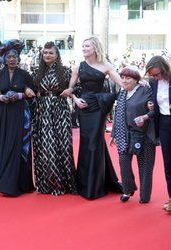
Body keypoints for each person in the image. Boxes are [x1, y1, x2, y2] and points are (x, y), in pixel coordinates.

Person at [62, 36, 123, 199]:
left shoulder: (106, 65)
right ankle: (89, 183)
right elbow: (70, 89)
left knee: (94, 143)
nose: (84, 48)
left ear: (95, 48)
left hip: (98, 108)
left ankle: (94, 185)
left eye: (87, 46)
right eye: (83, 46)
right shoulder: (78, 67)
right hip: (84, 107)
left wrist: (138, 82)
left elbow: (122, 82)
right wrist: (76, 100)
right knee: (87, 142)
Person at [30, 41, 77, 196]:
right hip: (42, 111)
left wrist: (70, 90)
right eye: (45, 53)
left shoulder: (65, 71)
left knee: (63, 145)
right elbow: (28, 88)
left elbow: (78, 87)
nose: (47, 55)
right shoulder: (36, 71)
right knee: (45, 147)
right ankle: (47, 184)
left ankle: (65, 183)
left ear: (57, 55)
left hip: (60, 110)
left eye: (51, 53)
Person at [0, 39, 34, 196]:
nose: (11, 59)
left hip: (21, 115)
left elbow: (33, 95)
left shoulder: (25, 75)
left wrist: (20, 95)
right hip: (5, 115)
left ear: (18, 58)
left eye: (14, 57)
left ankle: (20, 184)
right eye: (9, 57)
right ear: (4, 59)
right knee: (5, 144)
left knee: (18, 145)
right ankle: (3, 182)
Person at [110, 66, 156, 203]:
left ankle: (145, 196)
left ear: (137, 79)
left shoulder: (146, 90)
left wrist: (145, 117)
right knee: (123, 162)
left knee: (145, 166)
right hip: (124, 133)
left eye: (128, 78)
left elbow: (155, 110)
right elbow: (118, 115)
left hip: (144, 134)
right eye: (123, 77)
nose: (124, 81)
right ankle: (127, 189)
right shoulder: (123, 93)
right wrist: (114, 134)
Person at [145, 55, 171, 212]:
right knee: (168, 163)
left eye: (158, 74)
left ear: (164, 68)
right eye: (153, 75)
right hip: (164, 124)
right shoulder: (153, 83)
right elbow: (155, 104)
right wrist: (150, 107)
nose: (156, 77)